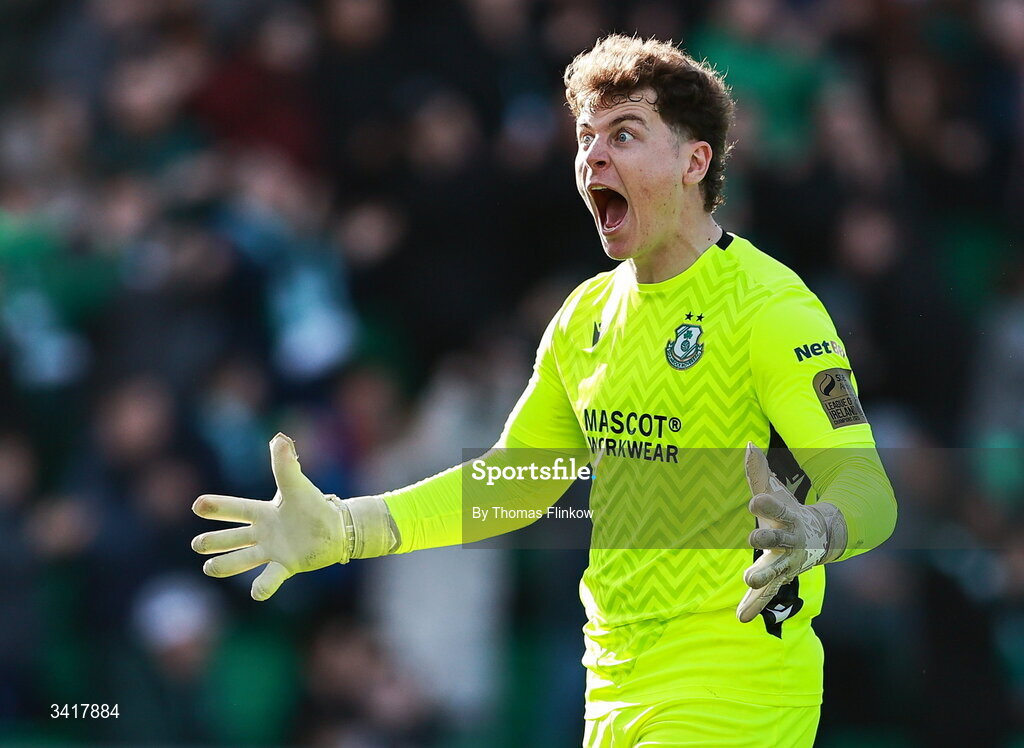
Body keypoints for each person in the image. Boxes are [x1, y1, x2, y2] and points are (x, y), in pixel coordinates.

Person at [191, 35, 897, 747]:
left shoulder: (774, 309)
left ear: (695, 161)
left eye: (624, 134)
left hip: (736, 689)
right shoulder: (584, 317)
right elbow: (512, 484)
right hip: (615, 688)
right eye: (585, 137)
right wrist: (349, 528)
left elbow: (866, 484)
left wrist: (819, 529)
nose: (593, 155)